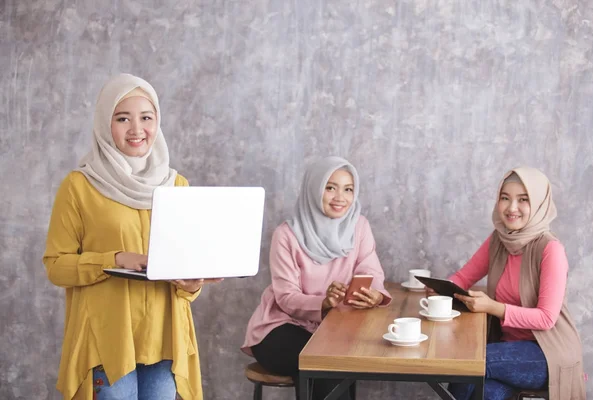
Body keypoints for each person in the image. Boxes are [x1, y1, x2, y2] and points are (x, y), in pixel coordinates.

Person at [43, 73, 218, 400]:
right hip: (108, 341)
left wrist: (192, 285)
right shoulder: (80, 186)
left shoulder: (177, 186)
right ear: (103, 123)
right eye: (122, 118)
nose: (137, 129)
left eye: (146, 118)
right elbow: (56, 266)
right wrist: (114, 260)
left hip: (164, 338)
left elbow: (184, 275)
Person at [241, 156, 392, 400]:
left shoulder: (359, 227)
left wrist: (374, 293)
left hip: (333, 329)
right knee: (323, 363)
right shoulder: (286, 235)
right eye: (330, 187)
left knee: (338, 359)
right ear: (314, 189)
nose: (340, 197)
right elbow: (286, 297)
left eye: (348, 189)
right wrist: (323, 302)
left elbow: (371, 271)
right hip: (280, 327)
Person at [443, 167, 586, 400]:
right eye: (505, 198)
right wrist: (438, 288)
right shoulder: (499, 239)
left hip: (548, 352)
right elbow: (463, 277)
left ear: (539, 204)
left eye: (523, 200)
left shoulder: (550, 249)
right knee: (485, 393)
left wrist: (493, 307)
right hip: (508, 347)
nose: (511, 208)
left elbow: (546, 318)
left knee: (471, 362)